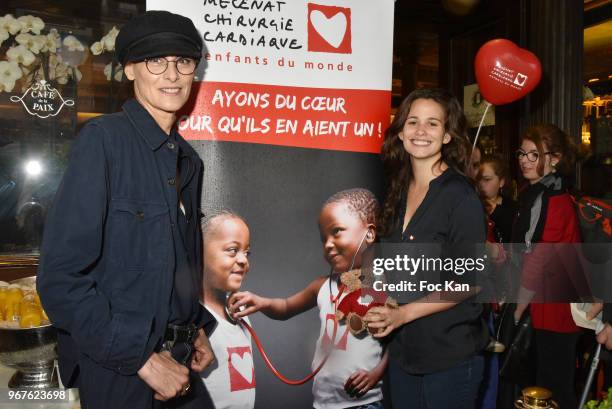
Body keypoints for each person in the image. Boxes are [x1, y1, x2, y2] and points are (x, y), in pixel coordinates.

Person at [36, 10, 216, 409]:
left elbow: (174, 265)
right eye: (156, 60)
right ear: (131, 69)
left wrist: (194, 328)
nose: (172, 74)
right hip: (121, 369)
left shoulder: (188, 161)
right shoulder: (103, 143)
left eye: (183, 61)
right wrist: (142, 359)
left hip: (177, 356)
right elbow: (60, 281)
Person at [364, 88, 489, 409]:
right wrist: (380, 302)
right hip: (405, 352)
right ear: (401, 130)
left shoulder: (460, 196)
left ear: (447, 136)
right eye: (413, 121)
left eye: (433, 124)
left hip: (450, 356)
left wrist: (403, 313)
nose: (420, 131)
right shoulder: (398, 188)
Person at [229, 188, 388, 409]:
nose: (328, 244)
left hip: (364, 403)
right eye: (324, 239)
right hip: (323, 404)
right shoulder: (322, 286)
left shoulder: (384, 285)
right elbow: (285, 307)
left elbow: (399, 343)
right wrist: (262, 302)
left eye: (337, 232)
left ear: (369, 234)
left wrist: (375, 374)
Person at [512, 124, 589, 409]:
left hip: (555, 311)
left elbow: (540, 256)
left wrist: (519, 304)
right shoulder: (535, 193)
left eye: (534, 154)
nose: (524, 160)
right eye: (522, 153)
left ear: (554, 159)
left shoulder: (554, 198)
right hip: (542, 305)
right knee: (539, 384)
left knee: (553, 389)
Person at [200, 210, 255, 409]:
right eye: (233, 250)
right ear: (199, 252)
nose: (243, 260)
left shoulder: (241, 316)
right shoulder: (192, 318)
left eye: (247, 252)